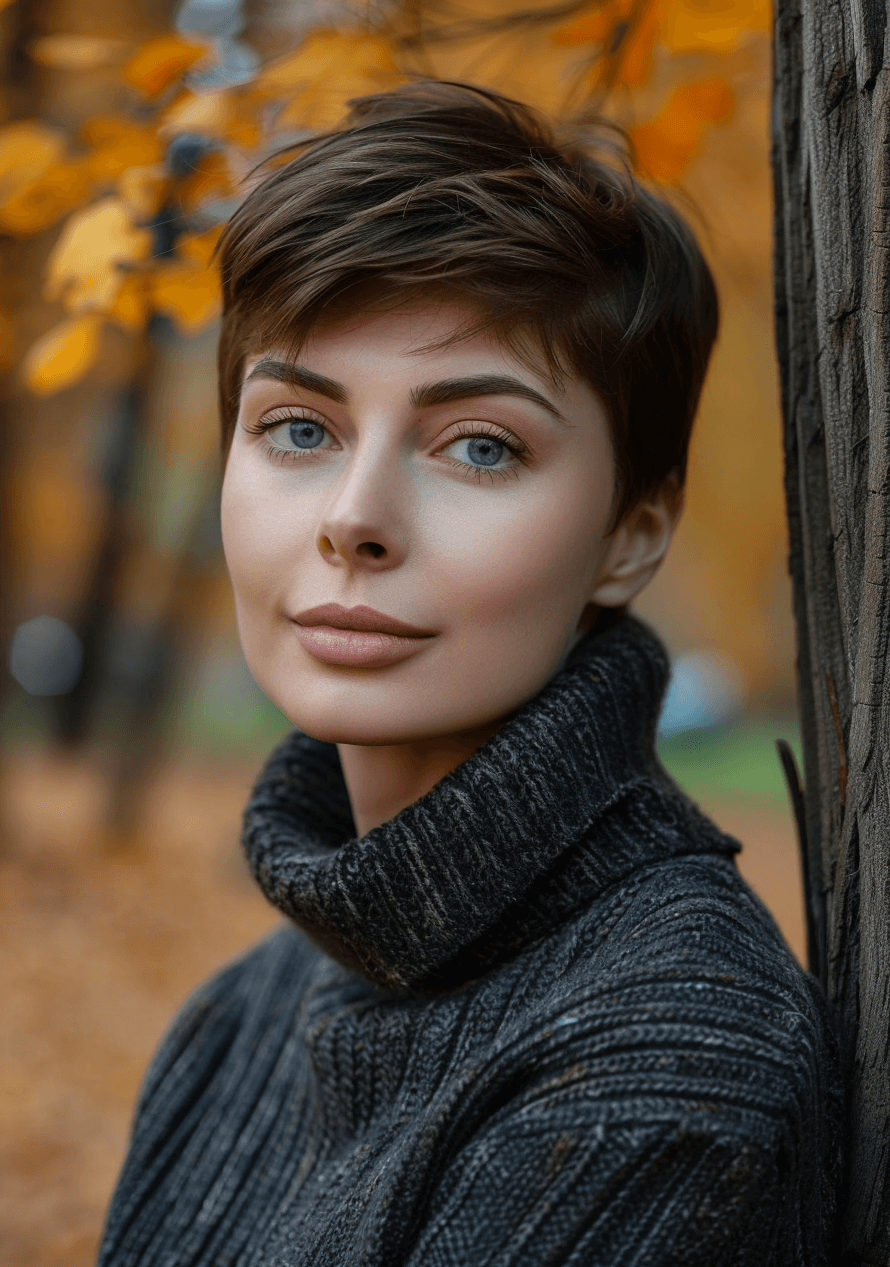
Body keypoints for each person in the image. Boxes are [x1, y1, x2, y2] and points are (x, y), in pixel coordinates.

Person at [97, 81, 842, 1266]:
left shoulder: (665, 1061)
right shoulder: (241, 1014)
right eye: (298, 428)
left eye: (479, 447)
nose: (354, 520)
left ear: (631, 533)